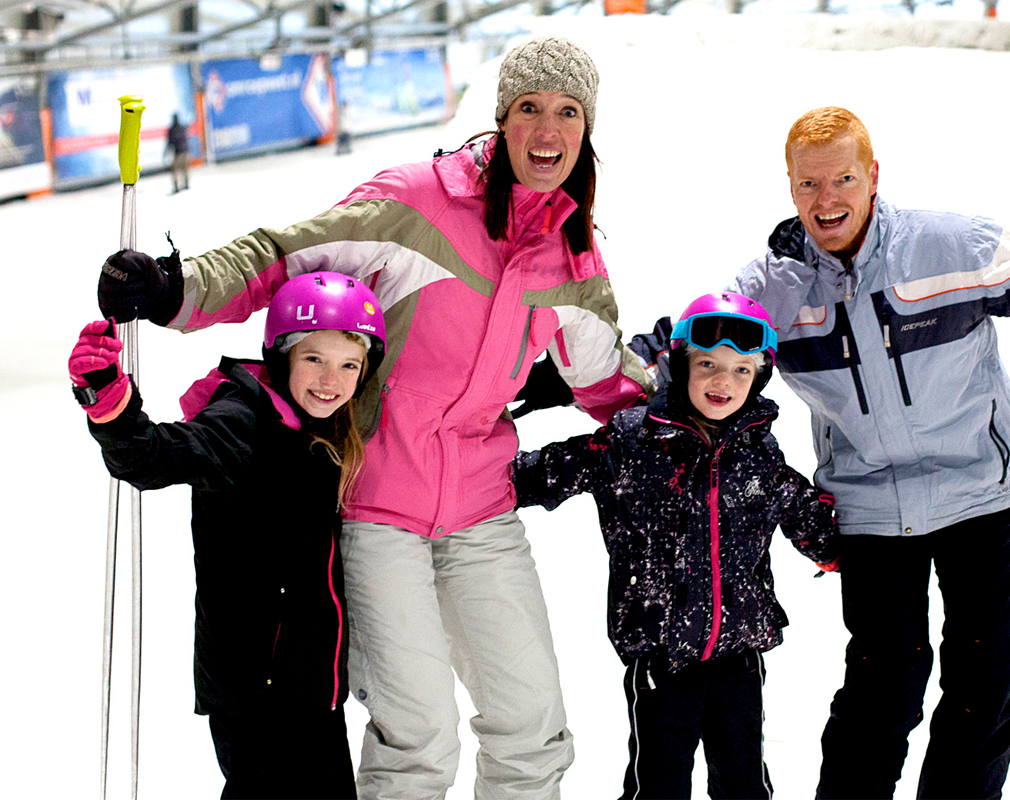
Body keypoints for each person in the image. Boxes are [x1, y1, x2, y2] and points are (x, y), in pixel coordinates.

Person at [94, 36, 651, 799]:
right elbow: (285, 256)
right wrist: (174, 287)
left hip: (481, 511)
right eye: (529, 107)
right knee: (417, 738)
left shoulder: (573, 254)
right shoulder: (417, 203)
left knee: (532, 726)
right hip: (378, 503)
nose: (547, 130)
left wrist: (689, 393)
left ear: (587, 129)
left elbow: (610, 380)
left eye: (567, 112)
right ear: (502, 118)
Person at [718, 106, 1010, 799]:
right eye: (809, 184)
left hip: (982, 494)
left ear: (872, 176)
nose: (827, 200)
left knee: (985, 688)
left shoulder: (947, 247)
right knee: (884, 691)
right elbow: (693, 355)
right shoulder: (773, 288)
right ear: (790, 187)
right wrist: (622, 389)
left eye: (843, 179)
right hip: (872, 510)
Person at [71, 271, 388, 799]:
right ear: (281, 353)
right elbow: (154, 456)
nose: (330, 379)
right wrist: (110, 408)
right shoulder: (243, 420)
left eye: (348, 365)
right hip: (258, 689)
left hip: (310, 683)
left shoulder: (319, 424)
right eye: (314, 359)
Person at [513, 292, 841, 800]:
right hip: (660, 654)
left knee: (744, 783)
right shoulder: (631, 442)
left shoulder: (761, 455)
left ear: (758, 379)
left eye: (741, 370)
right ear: (683, 364)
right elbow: (540, 474)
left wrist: (847, 550)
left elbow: (808, 518)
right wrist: (468, 467)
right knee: (658, 783)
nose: (722, 381)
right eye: (708, 364)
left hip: (738, 654)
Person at [165, 112, 189, 193]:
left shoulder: (172, 129)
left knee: (177, 171)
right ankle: (185, 184)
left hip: (178, 152)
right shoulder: (181, 128)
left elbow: (169, 142)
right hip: (183, 151)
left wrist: (167, 151)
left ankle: (177, 186)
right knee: (183, 170)